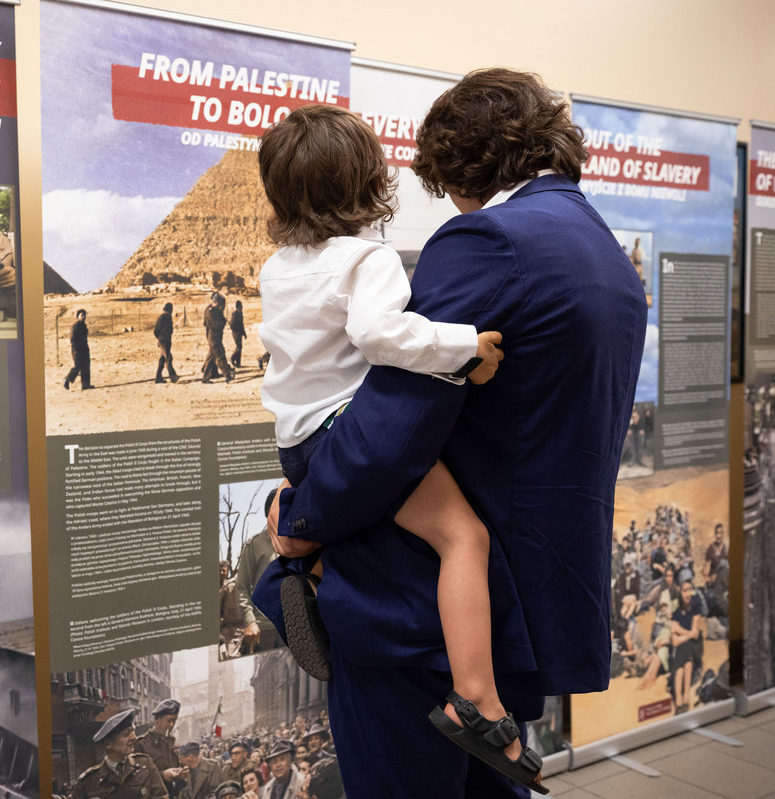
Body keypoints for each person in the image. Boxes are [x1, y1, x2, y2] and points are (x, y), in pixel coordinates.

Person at [254, 68, 646, 797]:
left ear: (461, 164)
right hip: (508, 605)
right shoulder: (606, 254)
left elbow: (392, 423)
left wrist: (302, 517)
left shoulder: (489, 240)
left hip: (410, 613)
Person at [255, 103, 523, 778]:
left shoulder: (277, 266)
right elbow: (380, 336)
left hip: (297, 439)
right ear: (369, 180)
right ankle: (478, 698)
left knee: (333, 532)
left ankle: (310, 580)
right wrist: (465, 347)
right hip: (349, 433)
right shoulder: (367, 257)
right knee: (463, 537)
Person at [72, 708, 168, 799]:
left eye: (133, 731)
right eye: (126, 734)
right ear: (108, 744)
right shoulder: (89, 781)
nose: (133, 737)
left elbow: (161, 796)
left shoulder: (145, 764)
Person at [234, 492, 281, 654]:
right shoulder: (255, 545)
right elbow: (242, 588)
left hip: (291, 627)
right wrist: (249, 621)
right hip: (263, 629)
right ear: (270, 511)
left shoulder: (296, 542)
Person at [134, 699, 186, 797]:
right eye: (169, 720)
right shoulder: (142, 744)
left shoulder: (172, 742)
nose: (172, 725)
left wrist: (181, 772)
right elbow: (137, 778)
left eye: (174, 721)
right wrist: (163, 775)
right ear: (157, 720)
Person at [669, 579, 704, 713]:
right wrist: (689, 634)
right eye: (685, 591)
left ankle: (681, 700)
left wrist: (680, 632)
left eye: (690, 590)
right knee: (684, 657)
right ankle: (682, 701)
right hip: (684, 647)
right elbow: (676, 639)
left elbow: (695, 632)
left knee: (686, 649)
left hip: (695, 646)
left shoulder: (696, 604)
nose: (688, 593)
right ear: (680, 593)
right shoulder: (677, 612)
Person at [202, 293, 234, 383]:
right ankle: (227, 374)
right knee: (219, 356)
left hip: (217, 337)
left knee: (211, 357)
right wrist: (221, 322)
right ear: (216, 302)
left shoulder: (216, 310)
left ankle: (209, 375)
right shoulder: (210, 311)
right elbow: (216, 324)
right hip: (213, 337)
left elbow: (222, 320)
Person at [63, 309, 93, 390]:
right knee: (78, 366)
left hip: (84, 349)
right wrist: (75, 349)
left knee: (86, 366)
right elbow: (72, 339)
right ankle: (67, 379)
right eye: (82, 315)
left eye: (84, 315)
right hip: (77, 350)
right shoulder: (76, 326)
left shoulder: (83, 326)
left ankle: (86, 385)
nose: (83, 317)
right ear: (78, 316)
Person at [154, 302, 179, 383]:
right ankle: (173, 377)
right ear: (169, 309)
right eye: (171, 309)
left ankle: (158, 378)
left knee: (162, 359)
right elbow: (156, 330)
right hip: (164, 341)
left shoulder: (168, 317)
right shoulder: (162, 318)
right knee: (168, 358)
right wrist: (160, 339)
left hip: (167, 341)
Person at [229, 300, 247, 369]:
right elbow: (232, 324)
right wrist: (236, 331)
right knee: (239, 347)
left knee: (239, 347)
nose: (242, 307)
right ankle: (233, 358)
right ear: (238, 307)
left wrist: (244, 333)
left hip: (239, 333)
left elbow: (241, 325)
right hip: (236, 333)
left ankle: (238, 363)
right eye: (241, 306)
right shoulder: (235, 314)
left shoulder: (240, 313)